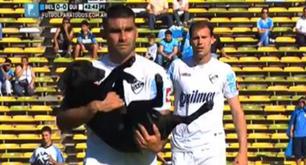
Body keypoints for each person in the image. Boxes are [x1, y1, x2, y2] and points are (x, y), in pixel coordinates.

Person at [56, 5, 172, 165]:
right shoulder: (89, 71)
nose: (123, 37)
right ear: (104, 34)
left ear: (136, 32)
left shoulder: (155, 72)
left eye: (128, 30)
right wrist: (93, 107)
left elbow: (163, 120)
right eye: (115, 31)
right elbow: (62, 121)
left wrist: (159, 144)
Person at [168, 20, 247, 165]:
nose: (200, 42)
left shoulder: (224, 70)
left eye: (204, 37)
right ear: (190, 41)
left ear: (212, 40)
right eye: (196, 38)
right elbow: (163, 105)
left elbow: (237, 111)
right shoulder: (177, 67)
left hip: (211, 148)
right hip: (182, 147)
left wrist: (243, 150)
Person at [288, 97, 306, 165]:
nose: (302, 103)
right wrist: (291, 132)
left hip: (305, 136)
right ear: (298, 103)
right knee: (298, 155)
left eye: (303, 102)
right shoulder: (295, 112)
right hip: (297, 136)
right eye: (300, 102)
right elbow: (292, 123)